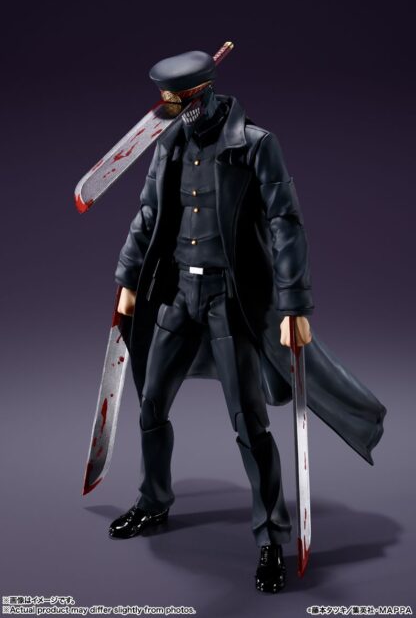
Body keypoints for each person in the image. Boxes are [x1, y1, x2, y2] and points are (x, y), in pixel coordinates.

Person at [108, 50, 386, 594]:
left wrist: (294, 306)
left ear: (200, 93)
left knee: (249, 423)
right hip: (178, 297)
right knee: (150, 404)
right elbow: (147, 213)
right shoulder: (169, 144)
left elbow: (286, 223)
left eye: (175, 99)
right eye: (165, 99)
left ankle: (270, 538)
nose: (167, 108)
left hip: (229, 301)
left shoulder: (256, 145)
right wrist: (128, 279)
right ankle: (153, 500)